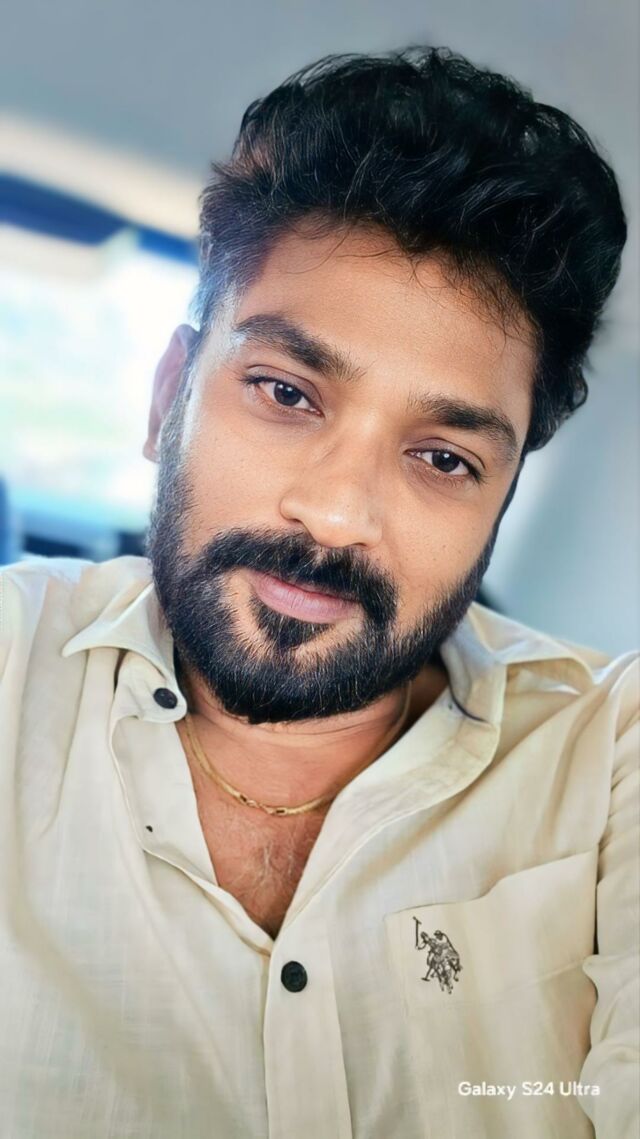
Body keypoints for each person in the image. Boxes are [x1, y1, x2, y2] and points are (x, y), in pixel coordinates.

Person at [0, 45, 637, 1139]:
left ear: (498, 502)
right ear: (167, 397)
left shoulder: (609, 752)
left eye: (443, 457)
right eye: (286, 392)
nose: (338, 514)